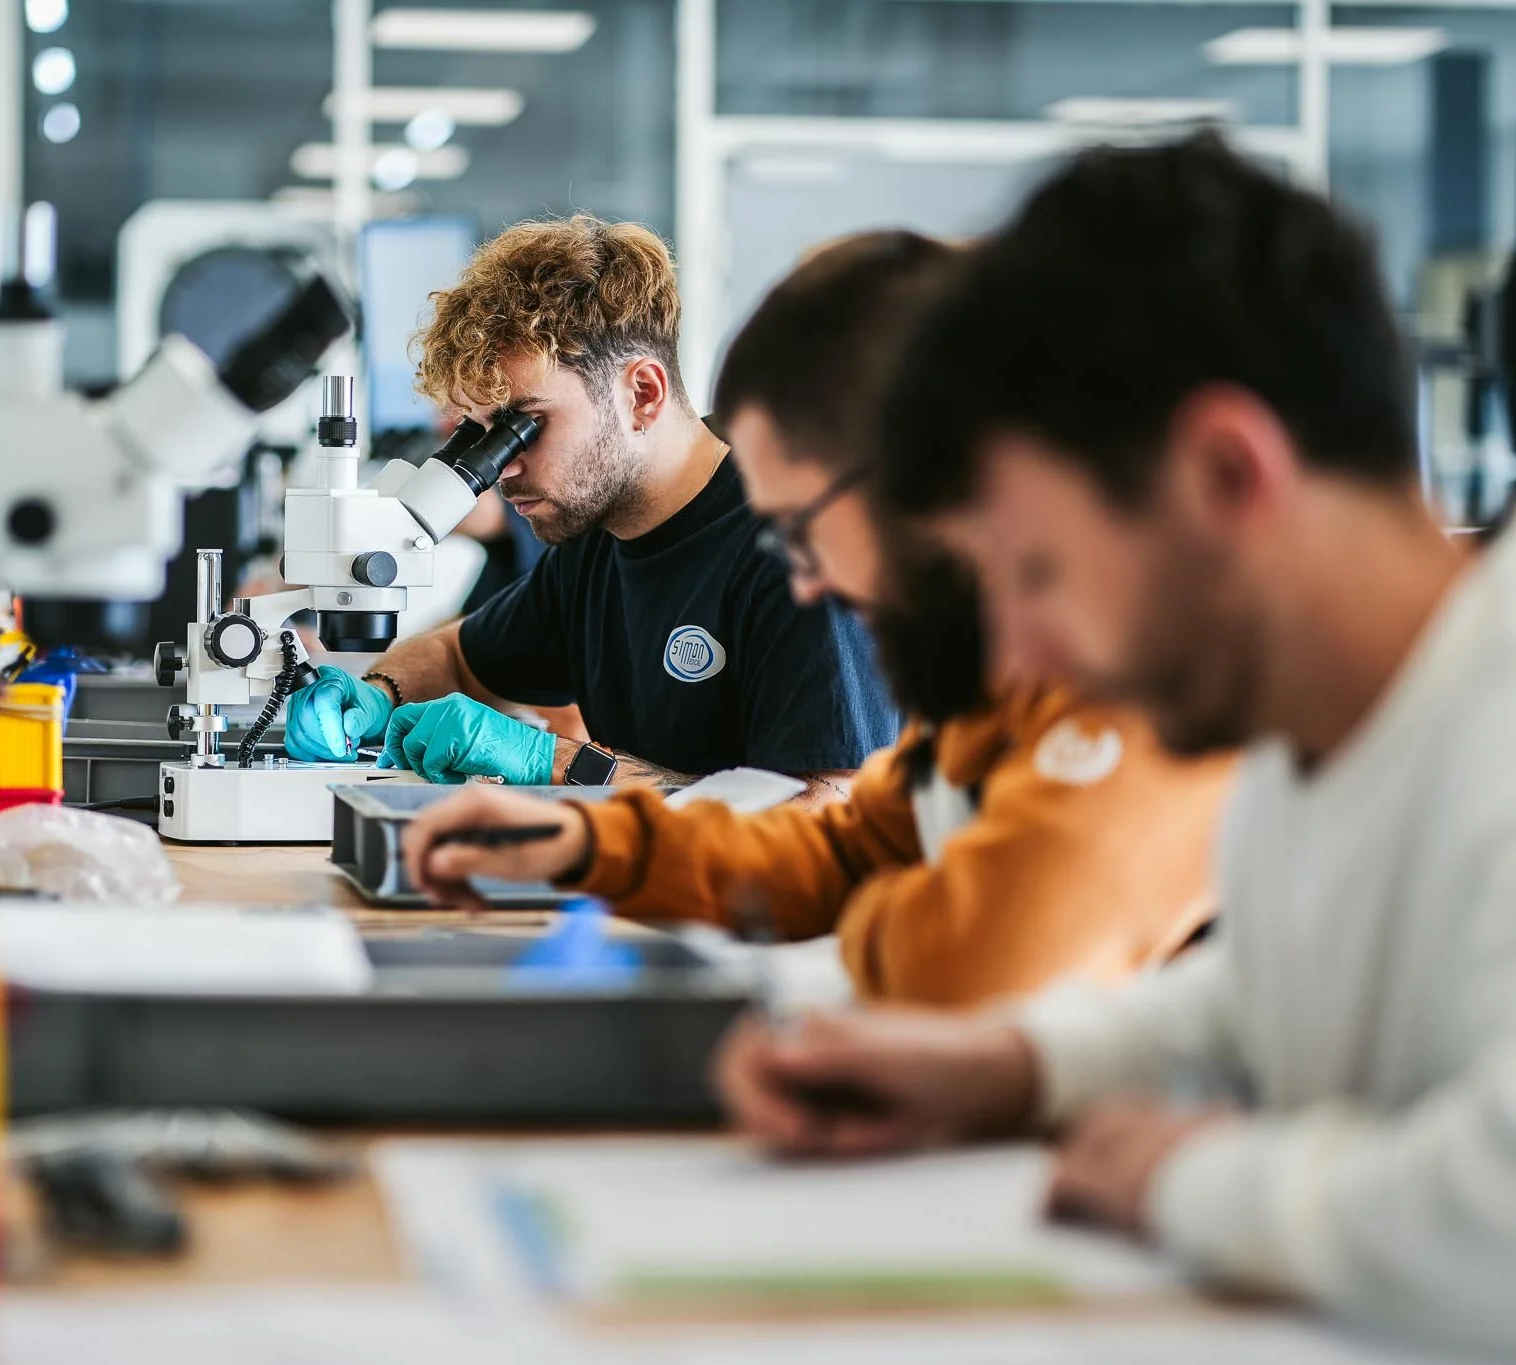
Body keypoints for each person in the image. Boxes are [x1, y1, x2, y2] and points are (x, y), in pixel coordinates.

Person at [711, 134, 1516, 1354]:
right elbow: (1255, 1009)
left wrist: (1185, 1183)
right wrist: (1008, 1065)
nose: (1020, 658)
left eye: (1034, 570)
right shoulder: (1303, 745)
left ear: (1222, 475)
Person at [399, 233, 1228, 1007]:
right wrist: (591, 846)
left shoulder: (1143, 687)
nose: (800, 579)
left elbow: (972, 965)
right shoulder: (982, 685)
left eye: (802, 525)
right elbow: (843, 854)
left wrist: (863, 914)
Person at [280, 214, 899, 799]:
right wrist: (377, 694)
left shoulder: (798, 540)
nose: (503, 468)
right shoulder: (596, 535)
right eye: (483, 436)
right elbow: (454, 656)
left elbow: (833, 814)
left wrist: (556, 764)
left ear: (643, 394)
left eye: (524, 427)